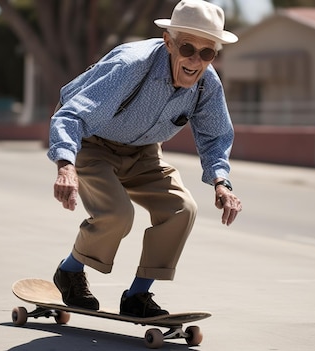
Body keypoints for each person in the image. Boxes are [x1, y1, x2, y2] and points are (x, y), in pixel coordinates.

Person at [48, 0, 242, 318]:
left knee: (182, 209)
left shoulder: (207, 83)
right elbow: (71, 115)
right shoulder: (130, 65)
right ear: (168, 42)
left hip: (145, 152)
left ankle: (138, 295)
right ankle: (70, 271)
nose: (195, 60)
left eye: (206, 53)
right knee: (117, 214)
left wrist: (222, 182)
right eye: (187, 48)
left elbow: (215, 135)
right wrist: (66, 165)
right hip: (93, 143)